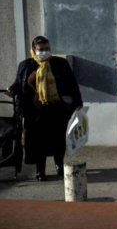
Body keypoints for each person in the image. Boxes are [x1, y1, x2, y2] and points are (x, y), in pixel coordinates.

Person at [7, 36, 83, 181]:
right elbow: (18, 83)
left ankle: (59, 165)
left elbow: (72, 84)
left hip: (57, 108)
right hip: (33, 110)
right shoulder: (26, 65)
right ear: (34, 50)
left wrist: (78, 101)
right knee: (37, 142)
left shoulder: (60, 63)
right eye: (41, 49)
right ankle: (40, 170)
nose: (44, 52)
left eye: (47, 49)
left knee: (58, 138)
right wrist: (12, 89)